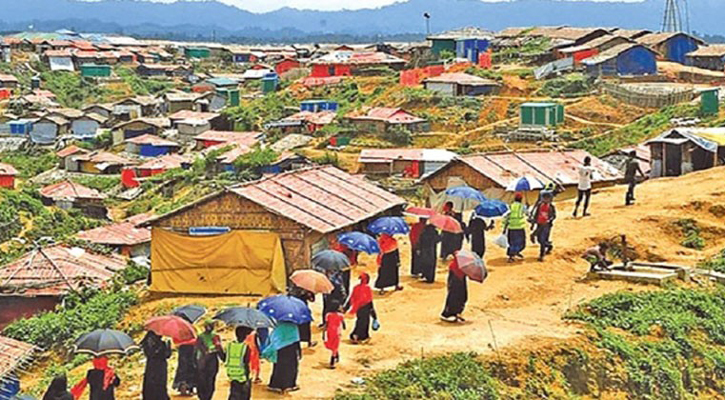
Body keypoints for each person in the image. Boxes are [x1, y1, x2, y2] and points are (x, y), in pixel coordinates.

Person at [263, 322, 301, 394]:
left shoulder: (277, 326)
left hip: (280, 351)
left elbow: (272, 339)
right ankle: (289, 385)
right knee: (291, 368)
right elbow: (296, 339)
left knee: (278, 368)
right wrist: (299, 351)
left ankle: (275, 385)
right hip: (291, 350)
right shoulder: (294, 326)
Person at [345, 272, 377, 343]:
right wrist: (374, 315)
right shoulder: (367, 288)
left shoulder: (356, 288)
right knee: (364, 323)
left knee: (359, 322)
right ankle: (357, 336)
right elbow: (369, 301)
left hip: (358, 309)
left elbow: (351, 299)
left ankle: (361, 336)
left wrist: (345, 308)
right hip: (365, 308)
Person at [195, 321, 224, 400]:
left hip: (208, 361)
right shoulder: (201, 337)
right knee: (205, 381)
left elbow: (219, 349)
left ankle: (206, 397)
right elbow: (200, 348)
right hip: (205, 361)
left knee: (208, 380)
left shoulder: (215, 336)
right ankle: (204, 397)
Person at [140, 331, 171, 400]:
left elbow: (167, 354)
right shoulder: (150, 340)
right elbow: (151, 353)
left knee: (160, 384)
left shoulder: (162, 340)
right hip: (154, 366)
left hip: (160, 366)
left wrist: (167, 344)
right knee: (153, 385)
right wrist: (161, 346)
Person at [225, 326, 252, 400]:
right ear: (245, 336)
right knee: (244, 395)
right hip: (242, 374)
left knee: (234, 393)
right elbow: (246, 362)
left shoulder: (229, 345)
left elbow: (225, 357)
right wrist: (248, 376)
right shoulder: (245, 347)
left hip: (231, 373)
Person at [440, 252, 468, 323]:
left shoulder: (460, 265)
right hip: (456, 280)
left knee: (462, 296)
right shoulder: (455, 266)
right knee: (454, 296)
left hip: (460, 279)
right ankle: (449, 314)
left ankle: (456, 313)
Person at [531, 192, 556, 262]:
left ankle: (542, 255)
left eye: (547, 199)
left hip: (546, 226)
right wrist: (533, 224)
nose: (545, 200)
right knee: (539, 239)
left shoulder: (551, 207)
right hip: (539, 225)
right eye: (544, 198)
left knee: (542, 240)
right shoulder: (539, 205)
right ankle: (549, 245)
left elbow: (554, 216)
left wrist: (549, 220)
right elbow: (536, 215)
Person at [504, 193, 527, 263]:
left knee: (512, 241)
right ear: (521, 199)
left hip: (511, 227)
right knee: (521, 242)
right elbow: (527, 213)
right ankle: (515, 252)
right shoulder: (522, 207)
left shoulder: (510, 206)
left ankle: (512, 255)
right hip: (520, 227)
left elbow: (506, 217)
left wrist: (505, 227)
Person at [323, 300, 346, 369]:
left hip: (330, 332)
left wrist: (323, 333)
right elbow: (343, 324)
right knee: (335, 345)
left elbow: (326, 325)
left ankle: (336, 355)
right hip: (337, 332)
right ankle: (332, 362)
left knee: (332, 345)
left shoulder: (328, 315)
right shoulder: (340, 315)